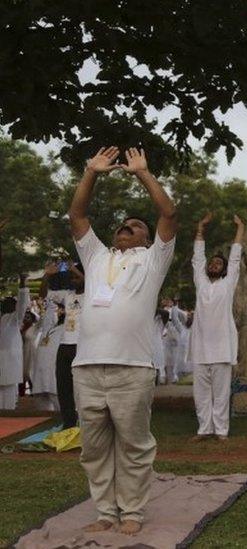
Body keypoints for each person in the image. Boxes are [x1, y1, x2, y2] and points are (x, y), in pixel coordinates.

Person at [68, 146, 177, 534]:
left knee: (134, 445)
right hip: (87, 367)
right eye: (123, 224)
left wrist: (143, 174)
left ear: (148, 240)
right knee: (94, 448)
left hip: (133, 368)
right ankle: (105, 513)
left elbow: (168, 213)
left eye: (135, 225)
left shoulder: (153, 260)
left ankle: (131, 511)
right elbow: (77, 215)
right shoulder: (97, 257)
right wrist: (91, 172)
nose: (127, 226)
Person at [188, 212, 244, 442]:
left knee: (221, 394)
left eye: (219, 263)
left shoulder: (228, 284)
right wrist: (200, 229)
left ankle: (221, 431)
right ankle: (204, 429)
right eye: (212, 262)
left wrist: (240, 229)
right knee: (201, 393)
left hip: (222, 346)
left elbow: (235, 258)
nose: (214, 264)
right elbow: (197, 258)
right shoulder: (200, 282)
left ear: (223, 270)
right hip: (200, 346)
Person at [46, 260, 86, 427]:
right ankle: (68, 423)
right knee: (63, 386)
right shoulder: (67, 295)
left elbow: (89, 281)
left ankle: (86, 422)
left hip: (83, 346)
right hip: (65, 345)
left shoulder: (91, 293)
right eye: (70, 277)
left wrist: (75, 270)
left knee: (83, 387)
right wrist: (48, 275)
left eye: (75, 276)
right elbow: (46, 293)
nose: (72, 279)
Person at [31, 263, 68, 411]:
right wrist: (47, 275)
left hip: (55, 376)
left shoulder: (68, 325)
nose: (58, 310)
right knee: (41, 410)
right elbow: (44, 294)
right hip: (40, 374)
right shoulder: (48, 321)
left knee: (61, 407)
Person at [1, 267, 29, 410]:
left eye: (10, 302)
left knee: (9, 407)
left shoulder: (14, 319)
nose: (6, 303)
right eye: (5, 302)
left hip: (10, 369)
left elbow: (22, 304)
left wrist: (23, 284)